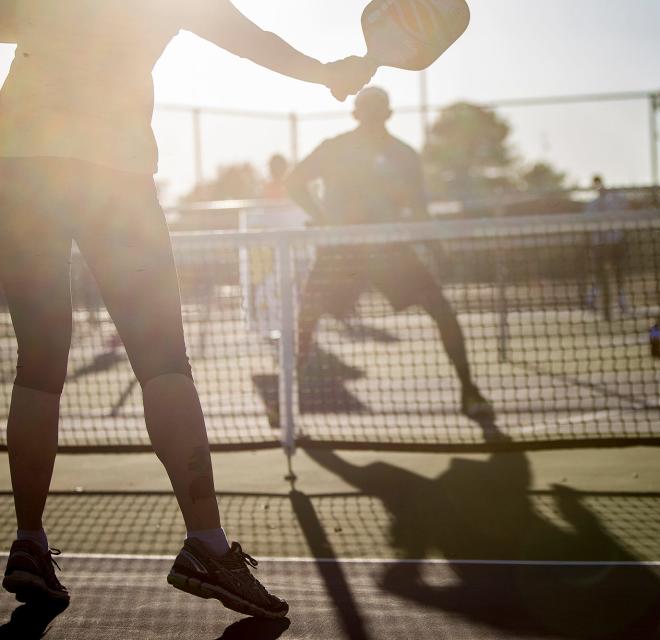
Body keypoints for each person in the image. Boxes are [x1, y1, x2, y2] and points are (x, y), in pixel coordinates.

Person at [0, 0, 374, 619]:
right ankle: (206, 545)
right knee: (164, 363)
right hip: (111, 177)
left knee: (40, 361)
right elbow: (253, 40)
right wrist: (329, 74)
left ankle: (29, 544)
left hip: (19, 172)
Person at [286, 87, 494, 420]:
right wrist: (325, 219)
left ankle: (469, 390)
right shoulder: (340, 149)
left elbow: (419, 209)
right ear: (358, 115)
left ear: (387, 115)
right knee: (307, 315)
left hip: (388, 250)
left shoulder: (403, 155)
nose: (371, 117)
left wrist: (436, 249)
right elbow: (294, 182)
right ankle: (290, 397)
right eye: (367, 111)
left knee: (441, 311)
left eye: (376, 111)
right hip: (342, 249)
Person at [584, 176, 630, 321]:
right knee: (598, 274)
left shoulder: (614, 201)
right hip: (599, 244)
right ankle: (591, 300)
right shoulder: (591, 205)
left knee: (619, 272)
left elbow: (626, 203)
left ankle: (622, 302)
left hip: (614, 242)